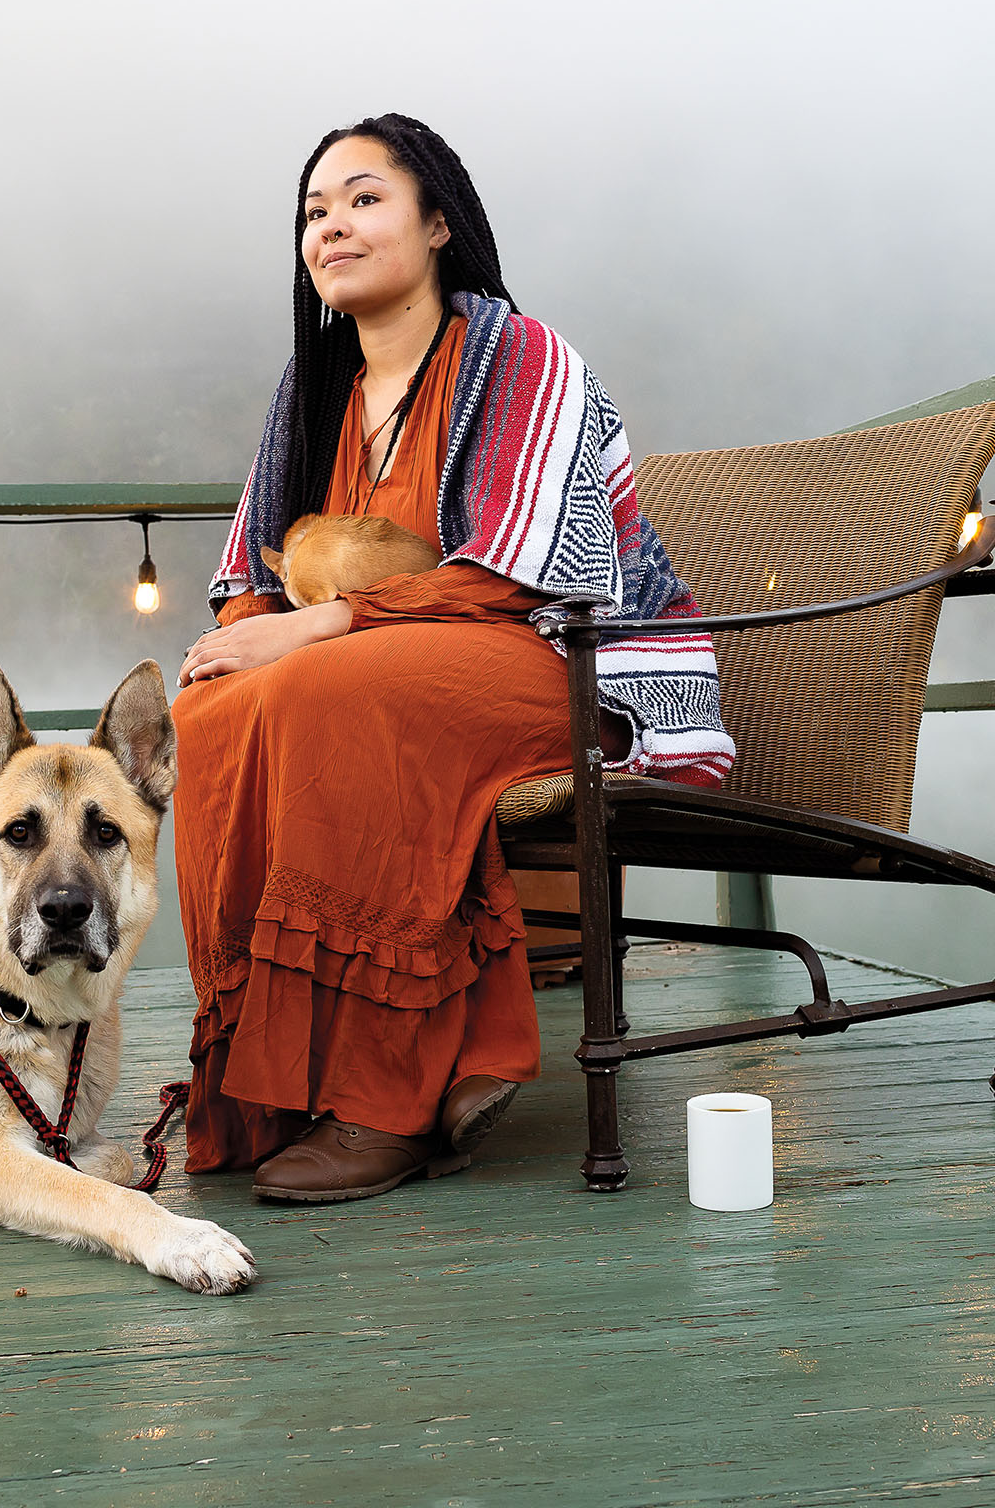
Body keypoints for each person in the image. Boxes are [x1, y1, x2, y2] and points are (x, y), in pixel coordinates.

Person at [172, 113, 734, 1203]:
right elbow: (253, 567)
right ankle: (271, 1081)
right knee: (214, 713)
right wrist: (246, 638)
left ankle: (394, 1093)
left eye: (364, 198)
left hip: (559, 657)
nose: (331, 224)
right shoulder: (310, 393)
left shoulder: (521, 355)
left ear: (439, 223)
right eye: (312, 211)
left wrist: (317, 626)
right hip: (398, 663)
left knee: (343, 687)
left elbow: (526, 570)